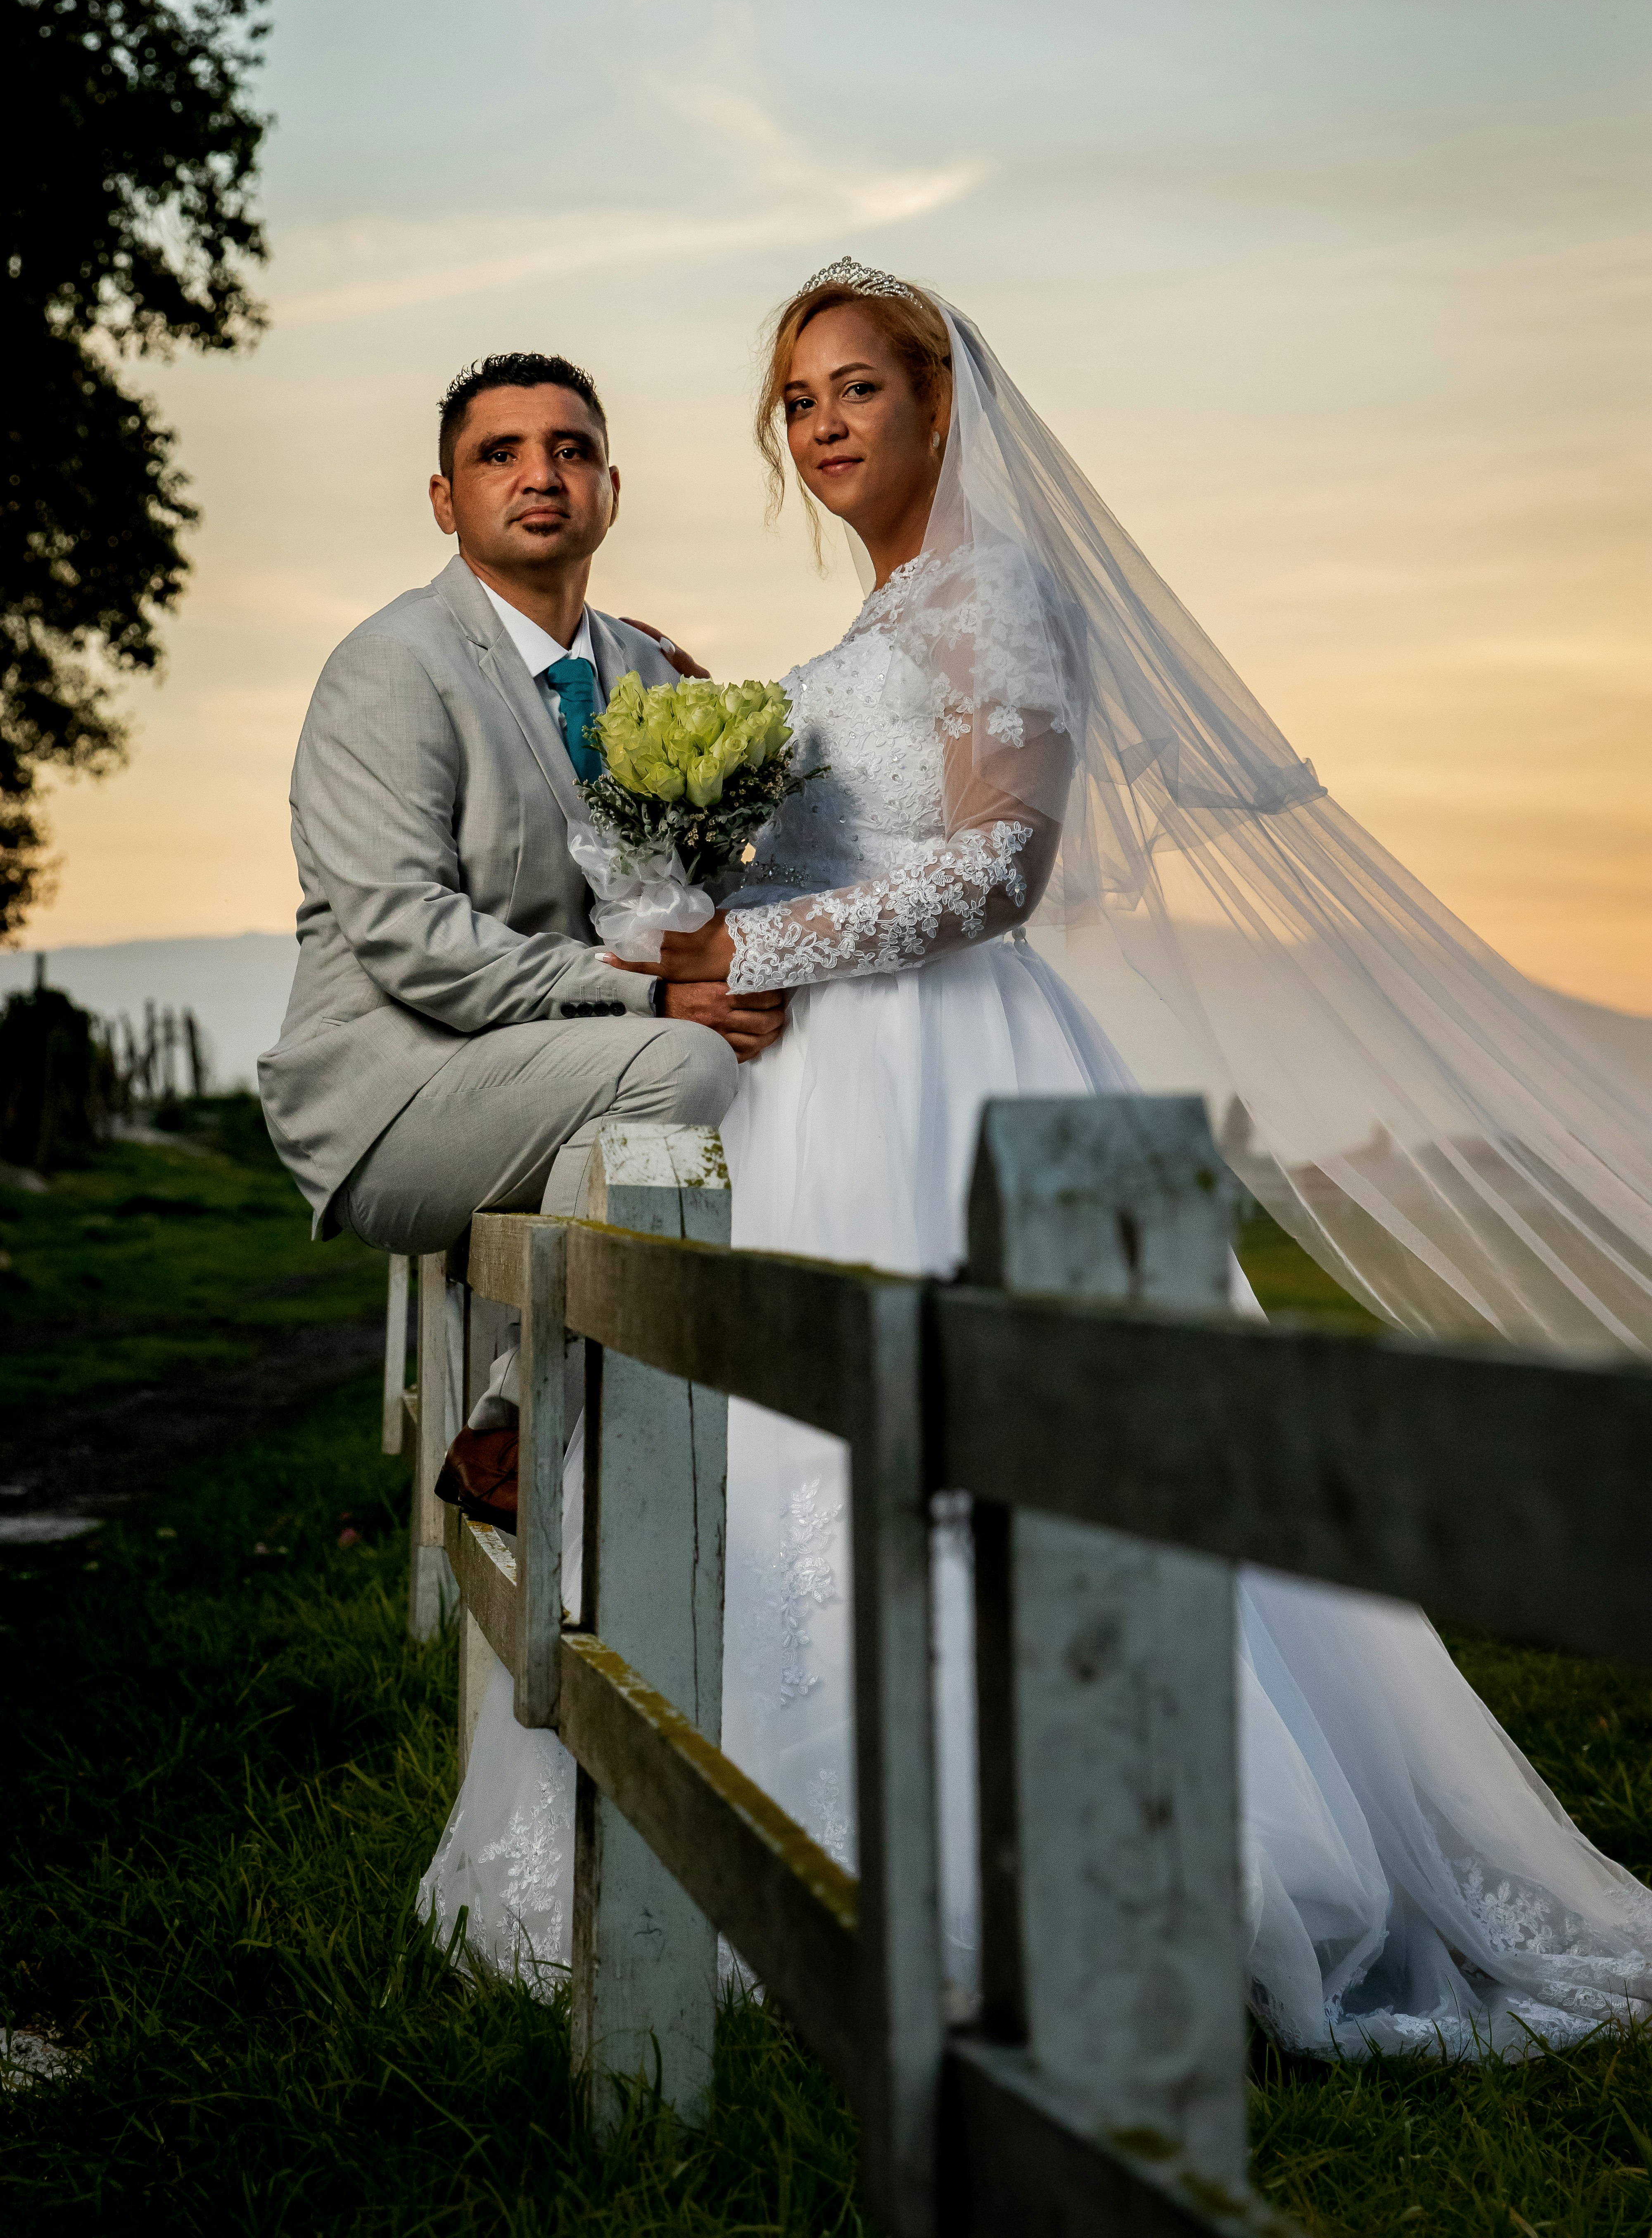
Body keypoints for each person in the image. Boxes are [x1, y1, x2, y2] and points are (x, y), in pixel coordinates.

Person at [421, 275, 1652, 2058]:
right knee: (785, 1461)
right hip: (816, 1085)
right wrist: (694, 841)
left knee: (993, 1460)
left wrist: (737, 956)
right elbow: (821, 850)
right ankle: (770, 1839)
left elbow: (999, 866)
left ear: (942, 407)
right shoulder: (861, 638)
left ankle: (1090, 1882)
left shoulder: (1000, 593)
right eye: (796, 402)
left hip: (947, 1076)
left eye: (858, 389)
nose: (826, 425)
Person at [259, 350, 785, 1258]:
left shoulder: (652, 673)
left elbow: (692, 892)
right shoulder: (393, 665)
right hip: (401, 1092)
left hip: (582, 1064)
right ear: (443, 499)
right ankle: (533, 1385)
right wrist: (651, 997)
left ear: (611, 489)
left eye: (570, 451)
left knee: (790, 1048)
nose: (541, 475)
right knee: (688, 1063)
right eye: (500, 454)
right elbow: (406, 933)